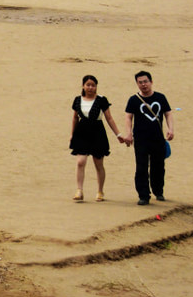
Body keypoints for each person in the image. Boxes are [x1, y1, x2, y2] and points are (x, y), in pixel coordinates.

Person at [69, 74, 126, 203]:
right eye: (88, 85)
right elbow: (75, 118)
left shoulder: (101, 100)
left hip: (97, 133)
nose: (90, 87)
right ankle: (79, 190)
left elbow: (109, 118)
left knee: (98, 163)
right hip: (81, 132)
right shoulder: (77, 100)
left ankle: (100, 191)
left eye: (93, 85)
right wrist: (72, 134)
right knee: (80, 162)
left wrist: (118, 134)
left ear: (96, 87)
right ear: (83, 86)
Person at [124, 70, 174, 204]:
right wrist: (129, 133)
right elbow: (128, 117)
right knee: (141, 167)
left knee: (158, 166)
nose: (143, 85)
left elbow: (168, 113)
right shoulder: (133, 100)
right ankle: (143, 195)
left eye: (145, 81)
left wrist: (170, 129)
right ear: (137, 84)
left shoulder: (160, 98)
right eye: (140, 82)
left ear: (151, 82)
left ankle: (159, 191)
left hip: (158, 138)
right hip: (140, 140)